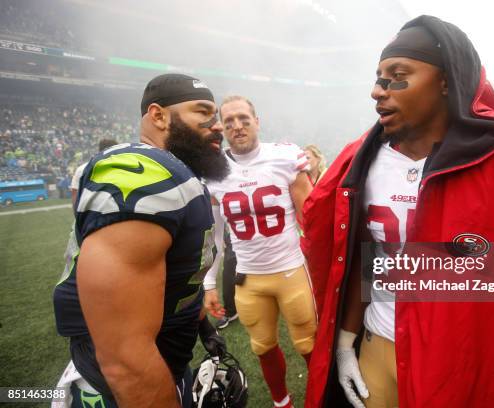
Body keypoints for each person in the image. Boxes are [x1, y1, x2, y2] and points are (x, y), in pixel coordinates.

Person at [302, 16, 494, 408]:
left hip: (458, 357)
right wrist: (346, 342)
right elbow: (369, 263)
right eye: (379, 77)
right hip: (379, 343)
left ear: (447, 80)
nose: (378, 90)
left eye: (398, 75)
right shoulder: (363, 160)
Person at [53, 73, 229, 407]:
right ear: (159, 115)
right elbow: (125, 360)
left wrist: (203, 328)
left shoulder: (179, 174)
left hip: (165, 365)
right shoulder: (143, 173)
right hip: (117, 392)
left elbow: (174, 279)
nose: (216, 124)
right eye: (203, 111)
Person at [203, 95, 315, 408]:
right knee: (262, 347)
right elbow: (215, 237)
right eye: (229, 122)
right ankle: (283, 404)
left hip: (291, 270)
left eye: (243, 118)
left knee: (308, 344)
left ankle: (322, 397)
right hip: (249, 278)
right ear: (222, 128)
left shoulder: (284, 157)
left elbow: (311, 218)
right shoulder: (213, 171)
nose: (237, 126)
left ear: (257, 121)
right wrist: (209, 282)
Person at [70, 138, 118, 207]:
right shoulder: (121, 168)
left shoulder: (82, 169)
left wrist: (78, 215)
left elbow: (75, 194)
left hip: (91, 212)